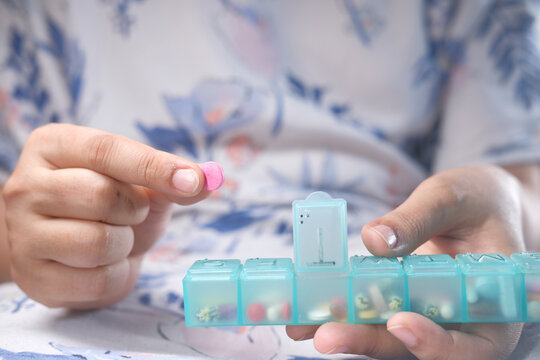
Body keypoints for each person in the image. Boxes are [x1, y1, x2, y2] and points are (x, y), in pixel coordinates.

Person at [0, 1, 539, 359]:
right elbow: (15, 216)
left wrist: (508, 201)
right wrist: (31, 242)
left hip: (395, 267)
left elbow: (521, 186)